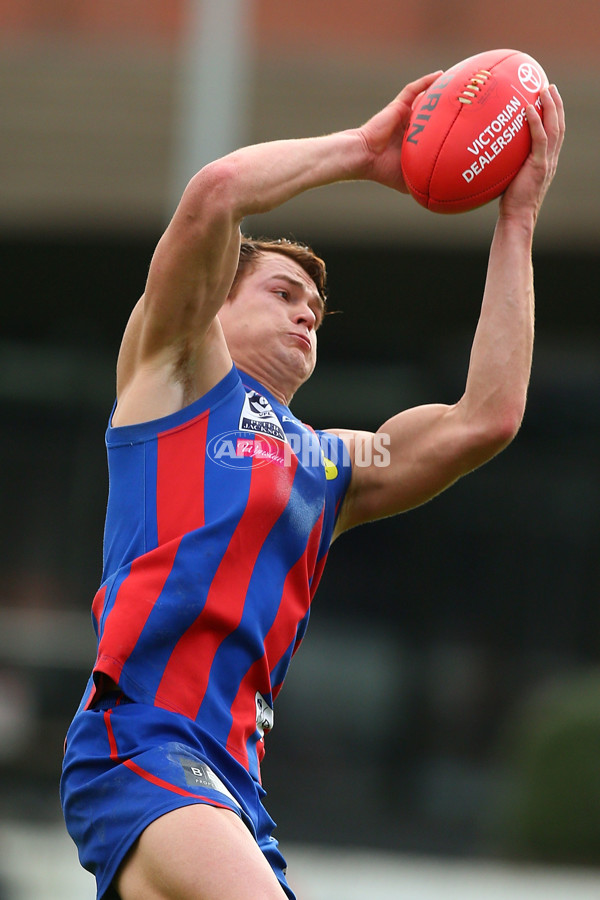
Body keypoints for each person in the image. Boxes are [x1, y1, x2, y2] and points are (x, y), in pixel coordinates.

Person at [60, 71, 565, 900]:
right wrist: (365, 152)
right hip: (142, 744)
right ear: (211, 307)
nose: (306, 314)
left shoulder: (334, 464)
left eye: (316, 309)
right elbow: (218, 192)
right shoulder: (176, 375)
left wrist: (517, 220)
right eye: (284, 293)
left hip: (235, 785)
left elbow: (489, 417)